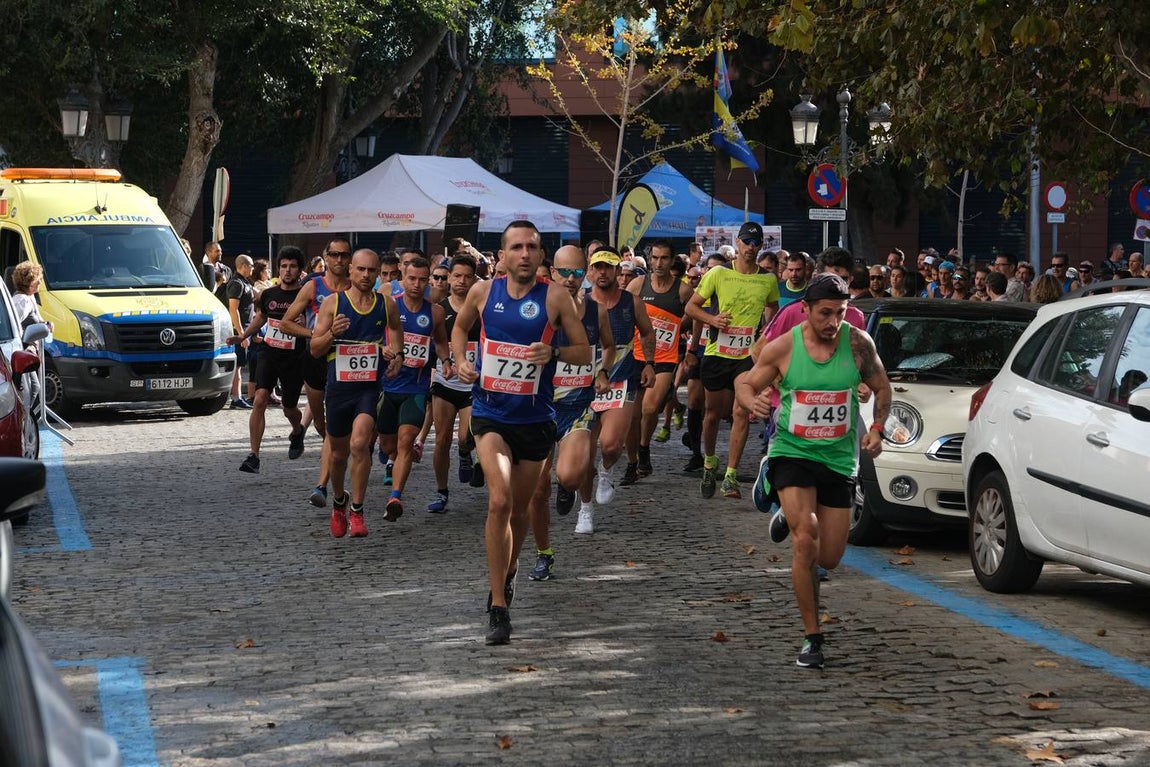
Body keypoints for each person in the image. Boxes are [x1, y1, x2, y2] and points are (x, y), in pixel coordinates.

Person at [735, 273, 891, 668]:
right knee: (807, 539)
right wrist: (752, 400)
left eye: (839, 313)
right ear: (805, 309)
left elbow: (883, 387)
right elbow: (745, 383)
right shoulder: (784, 348)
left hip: (838, 457)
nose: (832, 322)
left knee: (831, 557)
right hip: (793, 449)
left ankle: (789, 513)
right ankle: (812, 637)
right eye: (825, 313)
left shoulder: (858, 344)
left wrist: (876, 429)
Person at [451, 220, 591, 646]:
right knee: (499, 500)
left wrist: (555, 352)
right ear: (502, 254)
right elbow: (459, 329)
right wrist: (460, 360)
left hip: (535, 419)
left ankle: (509, 571)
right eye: (517, 247)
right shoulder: (482, 292)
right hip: (491, 414)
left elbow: (585, 352)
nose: (525, 254)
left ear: (541, 254)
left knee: (521, 508)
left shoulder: (555, 297)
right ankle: (498, 606)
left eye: (532, 247)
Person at [527, 245, 614, 578]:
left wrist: (603, 372)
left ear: (587, 274)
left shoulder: (596, 311)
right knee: (537, 489)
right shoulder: (537, 309)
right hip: (540, 406)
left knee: (570, 476)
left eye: (578, 272)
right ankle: (544, 553)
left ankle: (567, 486)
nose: (571, 278)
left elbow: (607, 347)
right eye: (564, 272)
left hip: (577, 406)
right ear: (552, 273)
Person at [310, 249, 403, 538]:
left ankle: (358, 510)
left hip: (368, 386)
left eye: (371, 271)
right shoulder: (334, 304)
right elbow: (314, 349)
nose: (366, 276)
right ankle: (339, 501)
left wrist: (396, 356)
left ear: (378, 275)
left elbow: (396, 330)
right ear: (350, 271)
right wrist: (332, 335)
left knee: (360, 443)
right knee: (338, 455)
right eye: (360, 270)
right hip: (338, 388)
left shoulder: (385, 303)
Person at [683, 221, 780, 499]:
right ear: (737, 243)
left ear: (761, 246)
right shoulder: (718, 273)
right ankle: (710, 461)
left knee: (740, 411)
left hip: (746, 357)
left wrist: (766, 331)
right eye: (746, 242)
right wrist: (713, 319)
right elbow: (691, 307)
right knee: (712, 414)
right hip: (717, 353)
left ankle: (731, 475)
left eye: (755, 243)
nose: (750, 247)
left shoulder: (768, 279)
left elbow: (773, 306)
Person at [375, 255, 452, 521]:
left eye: (422, 279)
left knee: (406, 441)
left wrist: (445, 360)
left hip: (416, 388)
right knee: (388, 445)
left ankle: (395, 496)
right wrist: (382, 348)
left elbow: (441, 341)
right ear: (402, 279)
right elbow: (371, 335)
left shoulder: (435, 312)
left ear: (428, 280)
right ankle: (392, 461)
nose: (417, 284)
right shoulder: (387, 305)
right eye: (411, 279)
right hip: (386, 385)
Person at [279, 239, 354, 507]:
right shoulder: (313, 286)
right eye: (334, 254)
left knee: (334, 429)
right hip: (315, 357)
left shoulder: (356, 284)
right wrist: (315, 335)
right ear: (326, 256)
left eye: (345, 255)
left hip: (345, 360)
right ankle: (330, 456)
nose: (339, 260)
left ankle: (322, 485)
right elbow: (286, 322)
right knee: (322, 426)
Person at [584, 246, 655, 520]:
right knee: (583, 454)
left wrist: (649, 363)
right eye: (597, 267)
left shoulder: (631, 302)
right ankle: (586, 509)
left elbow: (647, 333)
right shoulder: (580, 302)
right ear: (590, 270)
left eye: (608, 267)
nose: (602, 272)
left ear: (618, 270)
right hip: (585, 384)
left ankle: (607, 469)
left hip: (622, 380)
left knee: (611, 444)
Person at [229, 246, 308, 474]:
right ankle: (254, 456)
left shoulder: (304, 295)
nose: (287, 270)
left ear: (299, 269)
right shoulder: (269, 294)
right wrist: (243, 335)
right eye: (283, 266)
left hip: (294, 357)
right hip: (269, 352)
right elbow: (261, 317)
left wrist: (306, 325)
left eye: (293, 266)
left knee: (289, 407)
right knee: (260, 398)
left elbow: (315, 321)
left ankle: (297, 431)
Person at [623, 239, 693, 484]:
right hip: (635, 357)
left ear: (672, 260)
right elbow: (622, 315)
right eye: (655, 258)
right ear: (649, 259)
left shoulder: (682, 290)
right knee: (632, 417)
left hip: (665, 358)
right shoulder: (637, 285)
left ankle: (643, 446)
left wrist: (680, 328)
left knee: (650, 408)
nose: (659, 263)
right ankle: (634, 462)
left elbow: (696, 314)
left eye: (664, 258)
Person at [426, 254, 481, 513]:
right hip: (445, 381)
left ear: (474, 279)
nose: (461, 281)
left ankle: (465, 452)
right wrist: (445, 360)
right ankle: (441, 491)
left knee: (466, 436)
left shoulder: (482, 309)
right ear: (448, 278)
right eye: (456, 276)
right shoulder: (439, 309)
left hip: (472, 384)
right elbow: (435, 343)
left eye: (467, 276)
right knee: (442, 440)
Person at [227, 255, 256, 409]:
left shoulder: (245, 282)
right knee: (237, 366)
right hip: (239, 331)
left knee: (240, 364)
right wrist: (240, 334)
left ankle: (238, 397)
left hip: (246, 329)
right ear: (243, 266)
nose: (252, 268)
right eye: (251, 265)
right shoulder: (237, 283)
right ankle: (236, 398)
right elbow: (233, 309)